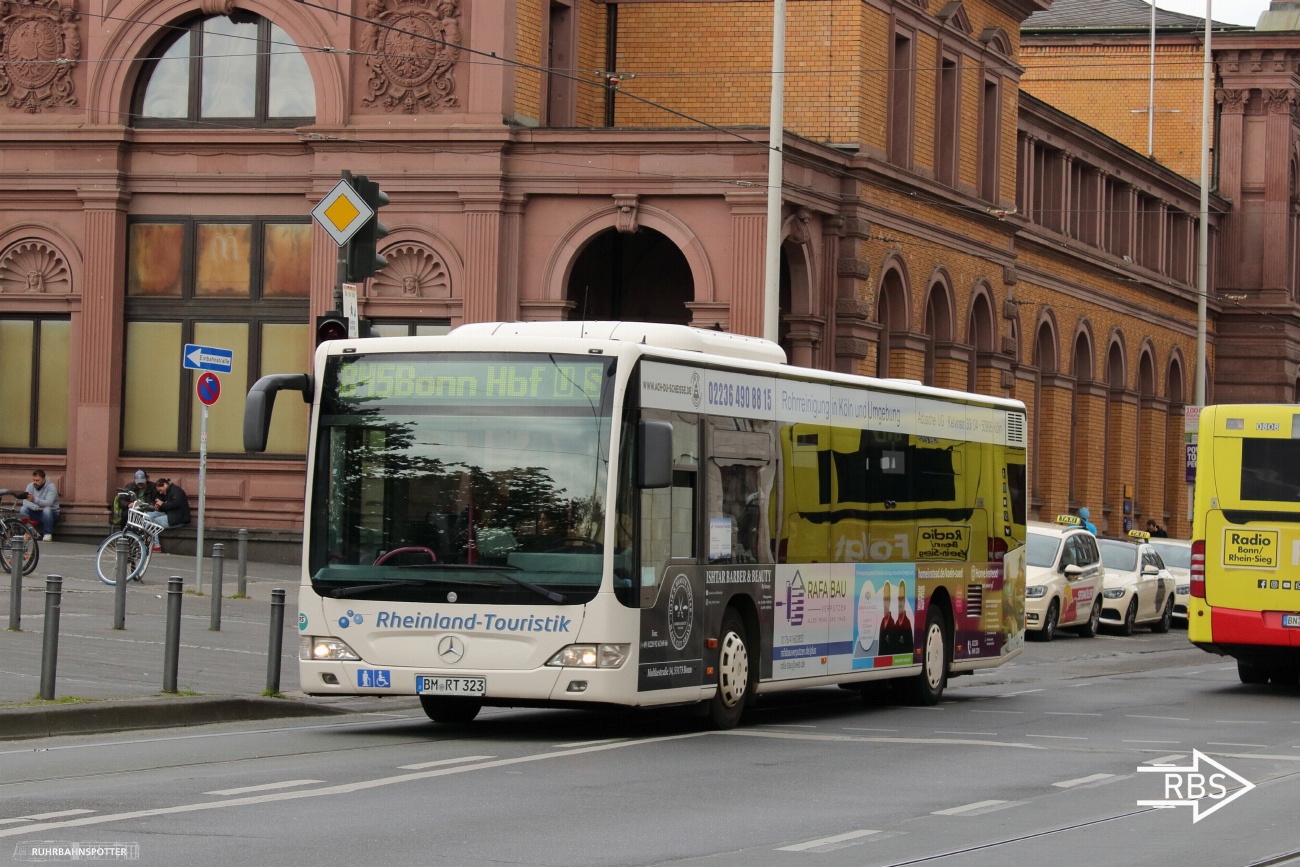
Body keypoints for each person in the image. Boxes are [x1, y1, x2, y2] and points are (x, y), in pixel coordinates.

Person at [142, 478, 190, 552]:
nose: (160, 492)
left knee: (154, 522)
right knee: (147, 515)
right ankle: (146, 538)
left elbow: (175, 504)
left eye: (160, 490)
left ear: (165, 485)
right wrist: (159, 507)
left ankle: (156, 545)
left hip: (177, 518)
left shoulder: (176, 491)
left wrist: (163, 504)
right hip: (172, 515)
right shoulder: (169, 491)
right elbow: (168, 506)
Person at [19, 469, 59, 542]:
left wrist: (34, 499)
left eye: (37, 480)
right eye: (34, 480)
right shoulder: (30, 486)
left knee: (47, 510)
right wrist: (37, 508)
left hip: (51, 514)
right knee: (23, 509)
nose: (35, 482)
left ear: (43, 480)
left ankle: (47, 534)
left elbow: (48, 503)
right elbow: (25, 502)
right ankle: (28, 532)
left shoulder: (51, 487)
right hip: (36, 511)